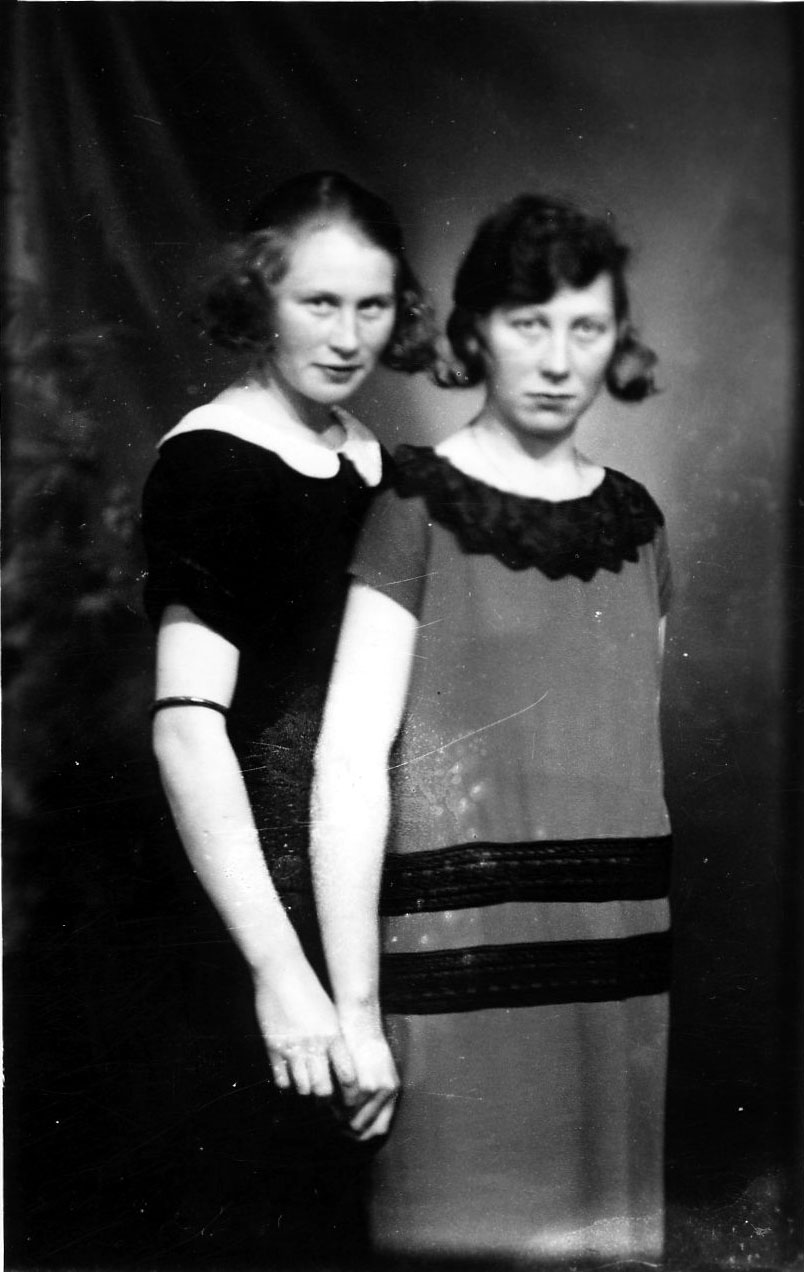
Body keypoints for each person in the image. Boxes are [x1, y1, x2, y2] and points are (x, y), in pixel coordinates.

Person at [310, 193, 673, 1262]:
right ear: (475, 332)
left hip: (615, 976)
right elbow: (347, 764)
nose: (558, 360)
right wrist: (357, 1017)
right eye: (528, 323)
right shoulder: (414, 508)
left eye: (586, 327)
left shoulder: (640, 524)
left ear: (618, 339)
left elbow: (615, 755)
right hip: (458, 982)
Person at [140, 171, 434, 1259]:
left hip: (357, 892)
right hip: (253, 913)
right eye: (319, 303)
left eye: (373, 305)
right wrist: (282, 976)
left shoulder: (371, 460)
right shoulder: (214, 461)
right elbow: (185, 724)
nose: (350, 337)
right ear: (258, 296)